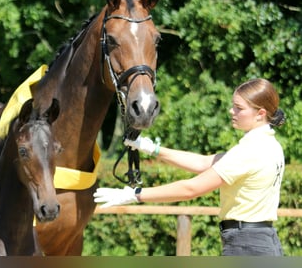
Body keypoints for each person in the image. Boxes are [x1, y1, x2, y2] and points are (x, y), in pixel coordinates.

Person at [94, 78, 286, 256]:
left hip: (247, 245)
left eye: (238, 108)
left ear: (260, 114)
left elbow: (191, 189)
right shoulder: (269, 145)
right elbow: (204, 163)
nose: (231, 111)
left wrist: (134, 194)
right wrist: (152, 148)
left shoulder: (249, 150)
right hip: (262, 240)